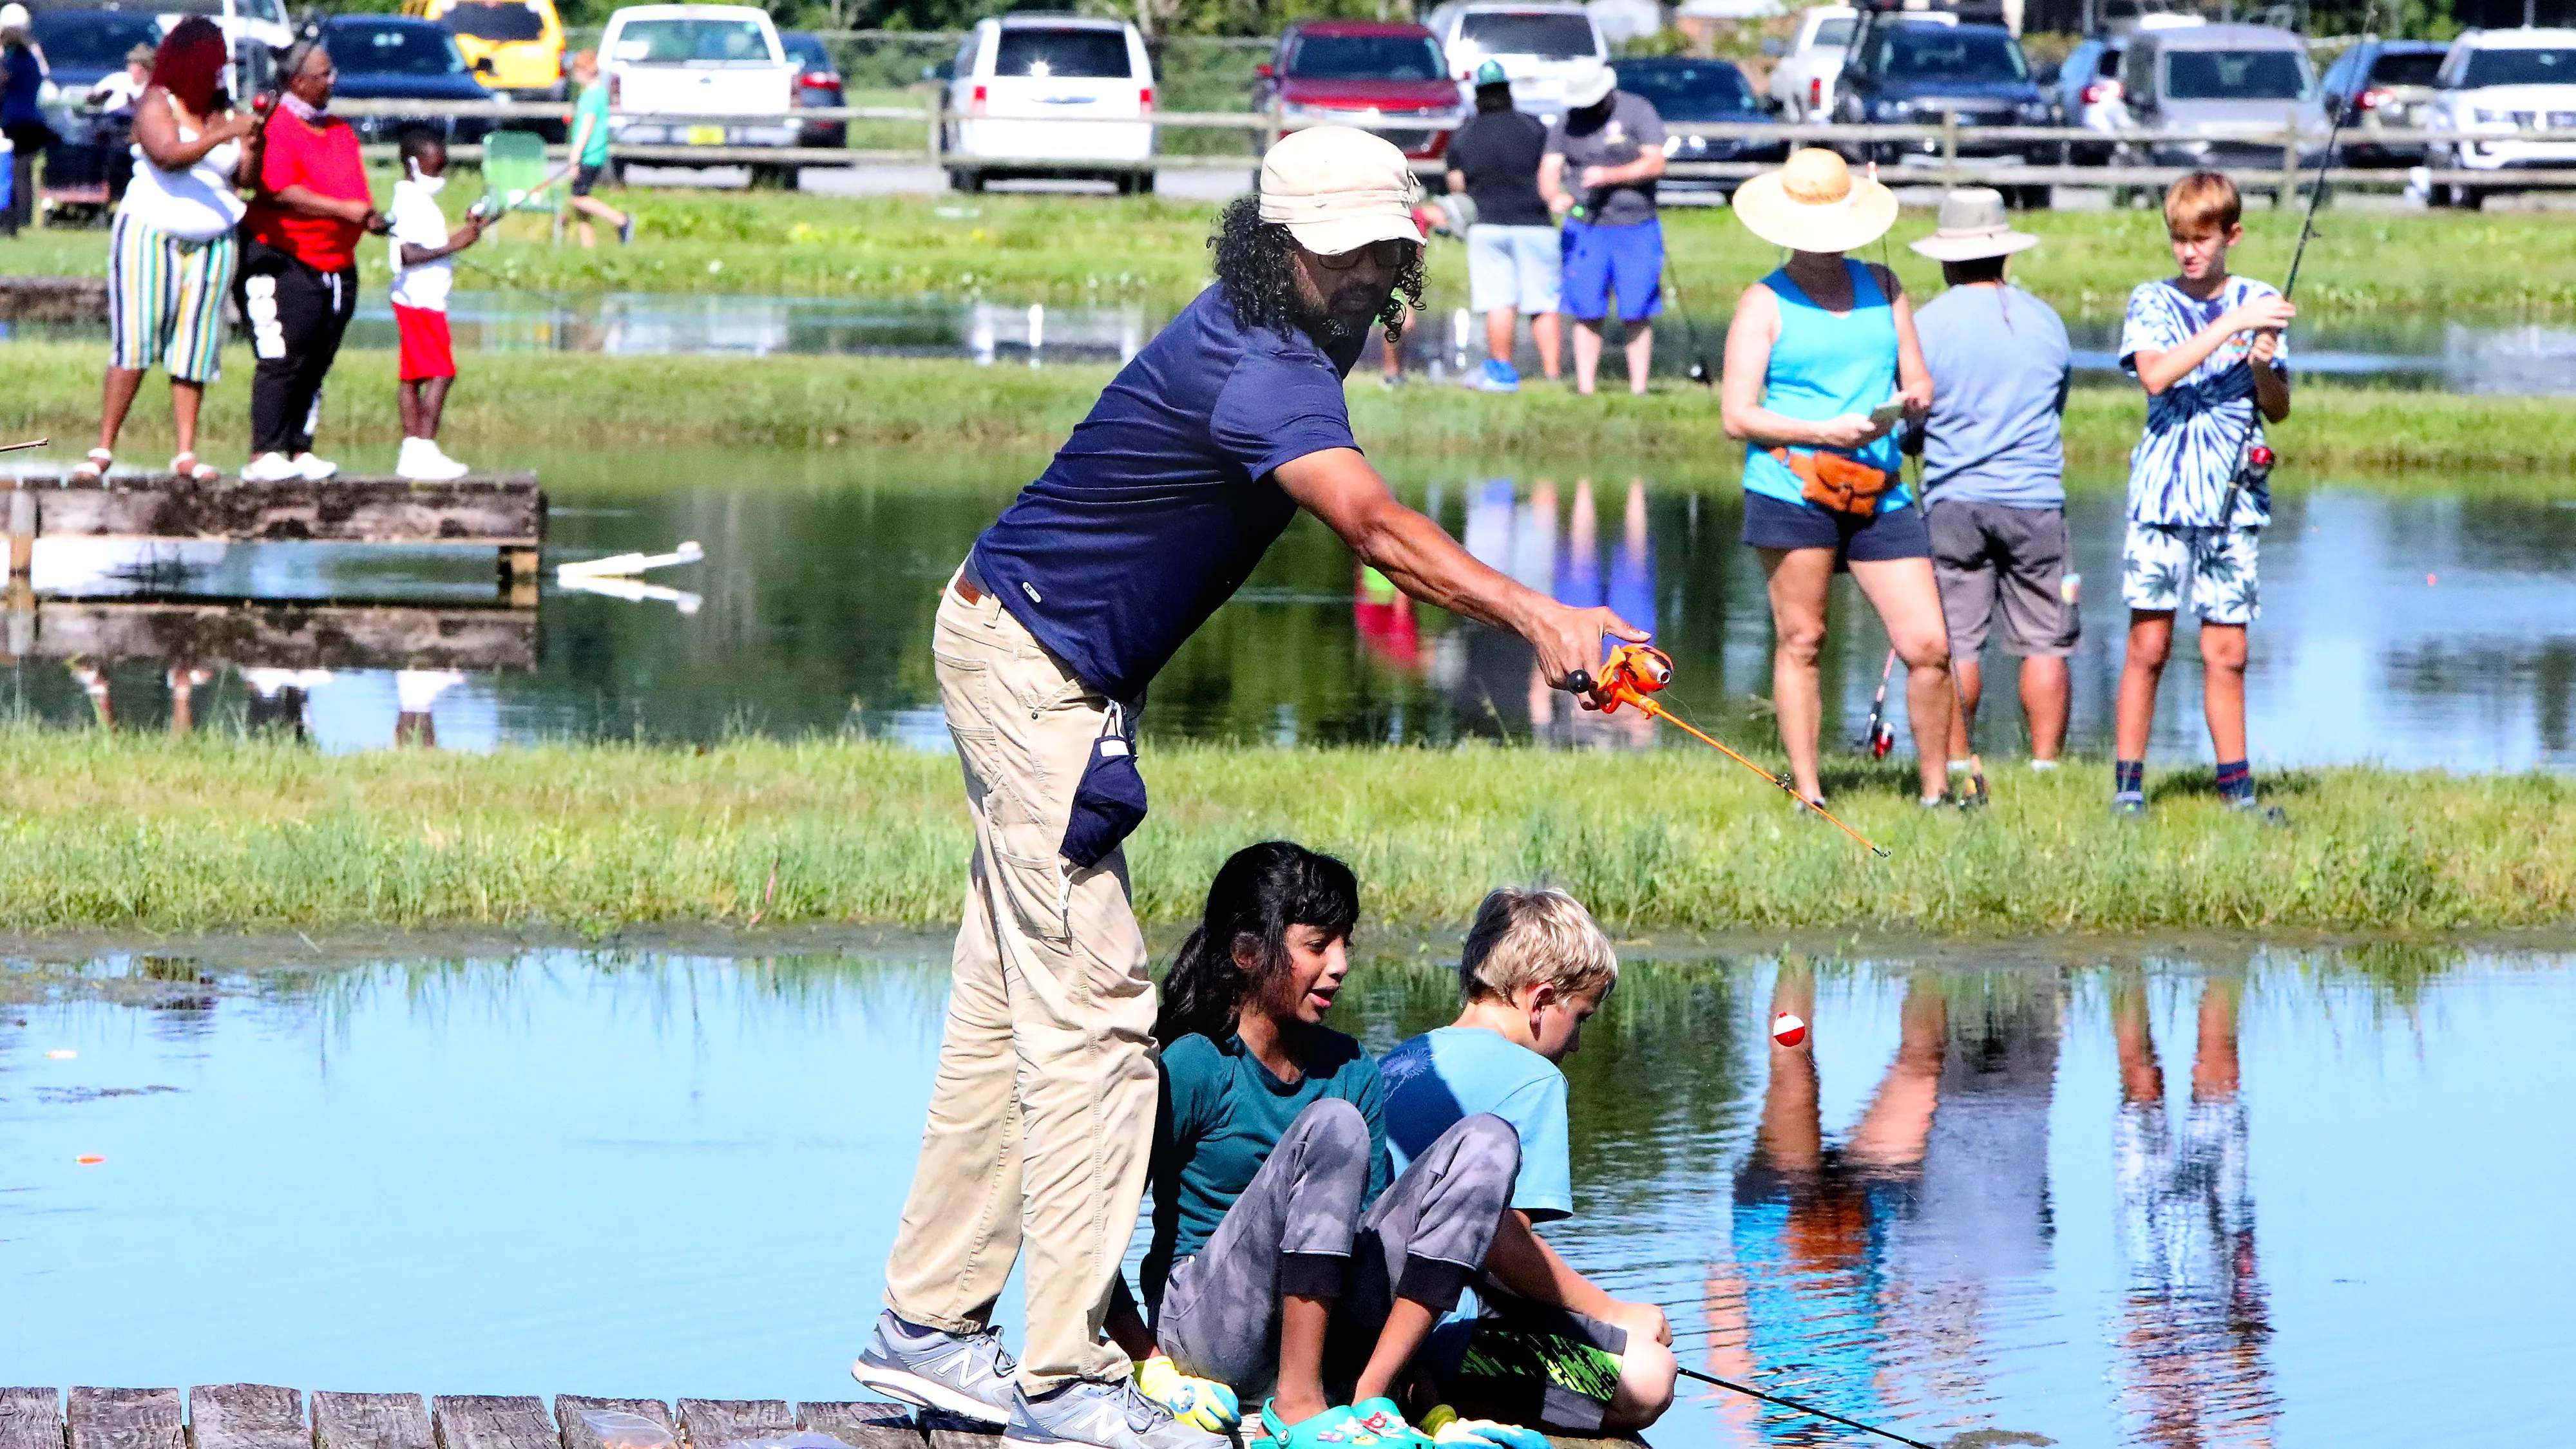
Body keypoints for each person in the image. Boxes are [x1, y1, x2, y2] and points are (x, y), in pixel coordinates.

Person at [848, 126, 1643, 1449]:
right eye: (1338, 251)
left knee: (1003, 1013)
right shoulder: (1264, 362)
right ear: (1277, 245)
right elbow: (1379, 531)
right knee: (1102, 1017)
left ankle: (927, 1327)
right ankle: (1066, 1378)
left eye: (1380, 251)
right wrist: (1541, 616)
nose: (1361, 271)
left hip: (1042, 657)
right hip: (1038, 668)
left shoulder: (1302, 324)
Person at [1095, 842, 1541, 1449]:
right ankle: (1297, 1405)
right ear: (1248, 952)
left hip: (1336, 1341)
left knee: (1489, 1141)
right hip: (1210, 1337)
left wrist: (1434, 1413)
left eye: (1345, 942)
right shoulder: (1197, 1064)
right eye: (1316, 945)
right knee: (1331, 1125)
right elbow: (1089, 1227)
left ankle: (1372, 1397)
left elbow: (1380, 1250)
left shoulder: (1353, 1068)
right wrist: (1148, 1363)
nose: (1339, 964)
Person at [1376, 887, 1677, 1434]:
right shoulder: (1533, 1079)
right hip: (1444, 1341)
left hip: (1366, 1327)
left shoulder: (1398, 1060)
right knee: (1648, 1374)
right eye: (1580, 1018)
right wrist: (1612, 1314)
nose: (1578, 1044)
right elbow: (1500, 1242)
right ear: (1539, 1001)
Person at [1720, 149, 1952, 811]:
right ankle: (1810, 792)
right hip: (1792, 485)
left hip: (1882, 489)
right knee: (1804, 639)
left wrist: (1913, 399)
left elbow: (1918, 375)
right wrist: (1825, 432)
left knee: (1928, 644)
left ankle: (1937, 792)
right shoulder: (1763, 301)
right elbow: (1738, 416)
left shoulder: (1885, 284)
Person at [2112, 171, 2293, 822]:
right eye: (2178, 239)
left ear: (2231, 236)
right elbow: (2156, 375)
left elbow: (2279, 408)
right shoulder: (2152, 300)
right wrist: (2233, 327)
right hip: (2161, 496)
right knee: (2149, 645)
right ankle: (2128, 788)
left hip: (2233, 502)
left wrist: (2262, 366)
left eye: (2202, 239)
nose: (2189, 252)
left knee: (2229, 652)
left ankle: (2237, 792)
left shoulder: (2260, 299)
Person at [1903, 187, 2077, 773]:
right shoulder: (2046, 321)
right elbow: (2055, 403)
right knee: (2046, 640)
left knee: (1957, 641)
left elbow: (1912, 415)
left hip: (1953, 500)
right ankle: (2046, 764)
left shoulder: (1925, 324)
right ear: (2005, 253)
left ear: (1947, 258)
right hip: (2035, 502)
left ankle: (1957, 761)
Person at [78, 18, 254, 484]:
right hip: (150, 232)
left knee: (195, 346)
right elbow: (167, 154)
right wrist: (224, 133)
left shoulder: (226, 109)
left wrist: (253, 140)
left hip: (215, 239)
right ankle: (103, 447)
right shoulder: (157, 101)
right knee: (136, 340)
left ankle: (186, 452)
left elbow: (244, 179)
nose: (223, 72)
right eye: (217, 63)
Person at [238, 35, 383, 484]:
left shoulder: (339, 130)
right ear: (298, 82)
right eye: (324, 75)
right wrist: (342, 210)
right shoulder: (278, 127)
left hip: (337, 264)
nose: (333, 80)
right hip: (284, 259)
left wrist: (365, 216)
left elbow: (353, 188)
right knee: (283, 357)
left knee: (318, 360)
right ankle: (267, 452)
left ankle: (300, 448)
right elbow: (278, 190)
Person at [1540, 62, 1664, 397]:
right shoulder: (1567, 121)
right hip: (1585, 227)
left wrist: (1609, 176)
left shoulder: (1638, 110)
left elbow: (1655, 161)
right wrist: (1554, 196)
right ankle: (1586, 388)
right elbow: (1550, 168)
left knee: (1636, 308)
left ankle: (1639, 388)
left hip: (1636, 224)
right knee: (1586, 308)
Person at [1447, 59, 1559, 393]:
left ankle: (1503, 374)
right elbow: (1549, 174)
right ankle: (1552, 376)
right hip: (1536, 224)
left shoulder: (1465, 134)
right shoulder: (1535, 128)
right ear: (1508, 92)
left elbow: (1457, 185)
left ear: (1479, 95)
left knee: (1499, 302)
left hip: (1487, 225)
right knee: (1543, 303)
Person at [386, 128, 485, 482]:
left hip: (423, 299)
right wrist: (456, 244)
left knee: (414, 374)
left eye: (442, 168)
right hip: (419, 300)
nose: (439, 176)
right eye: (434, 168)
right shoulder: (408, 200)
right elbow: (407, 253)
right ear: (413, 165)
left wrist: (467, 230)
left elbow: (427, 245)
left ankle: (413, 450)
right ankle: (422, 448)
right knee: (442, 373)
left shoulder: (418, 199)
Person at [564, 50, 631, 249]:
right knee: (580, 204)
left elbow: (587, 127)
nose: (574, 76)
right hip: (592, 153)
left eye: (577, 71)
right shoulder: (597, 93)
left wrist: (575, 158)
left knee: (579, 199)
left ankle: (622, 221)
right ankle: (588, 247)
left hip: (588, 154)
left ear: (585, 71)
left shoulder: (592, 96)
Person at [1, 2, 55, 236]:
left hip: (16, 121)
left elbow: (3, 82)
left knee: (15, 170)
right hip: (31, 119)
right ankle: (22, 216)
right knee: (23, 171)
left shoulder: (14, 59)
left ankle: (18, 217)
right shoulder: (31, 57)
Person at [86, 43, 155, 114]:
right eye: (131, 64)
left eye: (138, 65)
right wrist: (98, 97)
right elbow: (91, 97)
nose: (131, 68)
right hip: (108, 119)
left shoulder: (154, 87)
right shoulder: (118, 79)